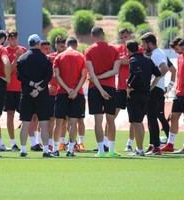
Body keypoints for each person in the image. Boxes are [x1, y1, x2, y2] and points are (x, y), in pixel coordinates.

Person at [85, 27, 121, 157]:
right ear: (104, 35)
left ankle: (100, 151)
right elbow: (115, 71)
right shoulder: (114, 49)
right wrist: (104, 87)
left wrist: (99, 86)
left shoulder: (89, 50)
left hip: (94, 88)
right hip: (110, 87)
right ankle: (111, 150)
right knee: (111, 120)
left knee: (98, 121)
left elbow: (91, 74)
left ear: (92, 35)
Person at [17, 34, 54, 158]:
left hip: (27, 94)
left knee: (25, 123)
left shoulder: (22, 58)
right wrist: (38, 88)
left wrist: (32, 85)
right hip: (42, 94)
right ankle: (45, 151)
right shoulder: (45, 59)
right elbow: (48, 76)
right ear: (38, 44)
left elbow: (19, 77)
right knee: (44, 124)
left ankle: (22, 149)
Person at [126, 40, 161, 156]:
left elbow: (136, 73)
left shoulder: (133, 60)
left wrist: (129, 86)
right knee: (139, 121)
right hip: (146, 94)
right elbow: (158, 74)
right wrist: (151, 86)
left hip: (136, 93)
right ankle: (139, 148)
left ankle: (140, 149)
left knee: (136, 122)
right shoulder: (148, 59)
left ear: (128, 50)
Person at [53, 37, 87, 157]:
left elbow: (56, 76)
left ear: (66, 45)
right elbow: (84, 76)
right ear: (76, 45)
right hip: (77, 94)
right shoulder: (81, 56)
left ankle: (55, 149)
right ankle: (70, 149)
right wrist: (75, 90)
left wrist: (67, 90)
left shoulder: (59, 57)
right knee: (73, 123)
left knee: (58, 122)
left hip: (62, 92)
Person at [140, 32, 170, 155]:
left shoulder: (157, 54)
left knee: (152, 118)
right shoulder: (157, 53)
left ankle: (156, 147)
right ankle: (153, 145)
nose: (142, 46)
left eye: (144, 43)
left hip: (155, 90)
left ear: (150, 43)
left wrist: (152, 85)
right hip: (157, 89)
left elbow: (164, 69)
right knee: (151, 118)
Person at [161, 38, 184, 152]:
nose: (176, 51)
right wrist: (174, 88)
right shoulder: (179, 57)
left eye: (177, 49)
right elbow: (179, 74)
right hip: (179, 92)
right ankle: (170, 144)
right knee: (174, 117)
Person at [4, 30, 26, 151]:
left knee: (26, 115)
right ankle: (13, 143)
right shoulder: (5, 51)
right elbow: (9, 71)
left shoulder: (23, 50)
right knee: (10, 115)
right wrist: (16, 58)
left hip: (22, 88)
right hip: (9, 88)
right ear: (7, 39)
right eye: (10, 38)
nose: (13, 40)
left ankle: (27, 141)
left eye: (15, 38)